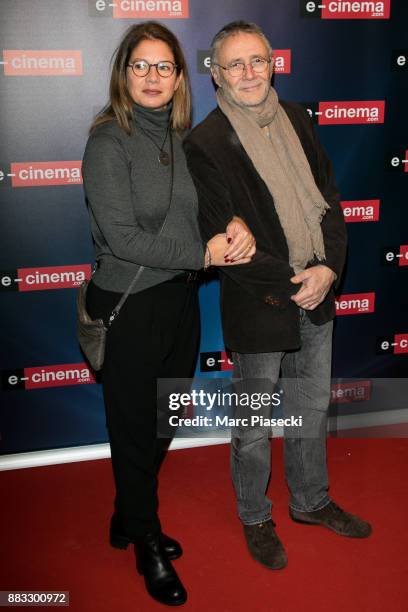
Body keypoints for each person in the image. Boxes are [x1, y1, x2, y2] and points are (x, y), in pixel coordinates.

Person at [184, 20, 372, 571]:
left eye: (258, 61)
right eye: (235, 64)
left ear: (274, 65)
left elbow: (331, 202)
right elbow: (228, 243)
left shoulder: (297, 119)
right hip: (262, 300)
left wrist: (328, 270)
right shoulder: (205, 144)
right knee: (255, 420)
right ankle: (254, 514)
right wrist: (300, 281)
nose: (248, 73)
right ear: (216, 73)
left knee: (310, 409)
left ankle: (311, 501)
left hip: (318, 289)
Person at [82, 22, 255, 606]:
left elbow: (200, 215)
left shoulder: (184, 139)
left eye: (164, 67)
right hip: (129, 304)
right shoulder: (108, 141)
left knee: (164, 421)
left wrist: (227, 228)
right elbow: (122, 237)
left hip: (180, 299)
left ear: (181, 78)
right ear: (123, 73)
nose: (152, 77)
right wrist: (200, 253)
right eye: (141, 66)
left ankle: (126, 515)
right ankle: (146, 540)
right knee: (133, 431)